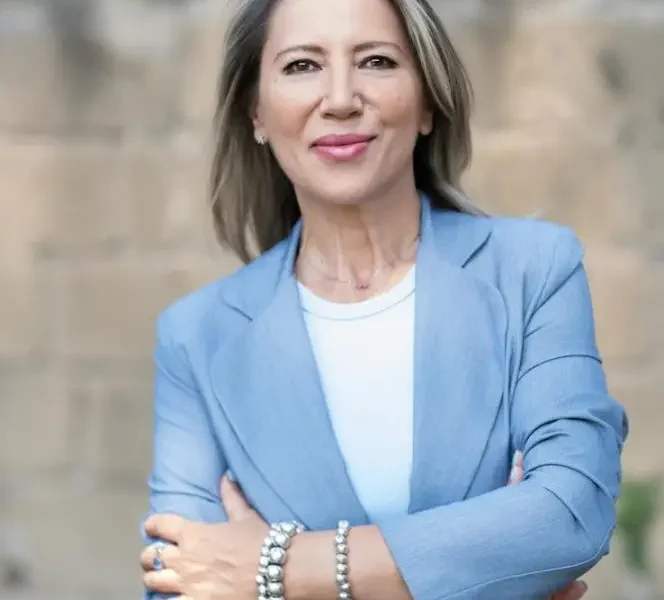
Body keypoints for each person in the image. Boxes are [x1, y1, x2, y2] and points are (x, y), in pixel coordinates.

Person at [138, 0, 628, 598]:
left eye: (375, 61)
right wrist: (488, 571)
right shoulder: (196, 336)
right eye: (301, 66)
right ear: (257, 111)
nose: (341, 98)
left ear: (427, 101)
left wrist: (277, 567)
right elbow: (179, 582)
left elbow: (571, 515)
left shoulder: (533, 269)